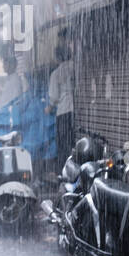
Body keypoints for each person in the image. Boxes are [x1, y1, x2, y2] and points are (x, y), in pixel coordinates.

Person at [47, 35, 75, 163]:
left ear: (58, 57)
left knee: (63, 145)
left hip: (63, 113)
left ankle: (65, 169)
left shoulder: (56, 73)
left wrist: (49, 108)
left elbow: (54, 97)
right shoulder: (75, 67)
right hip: (75, 111)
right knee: (73, 143)